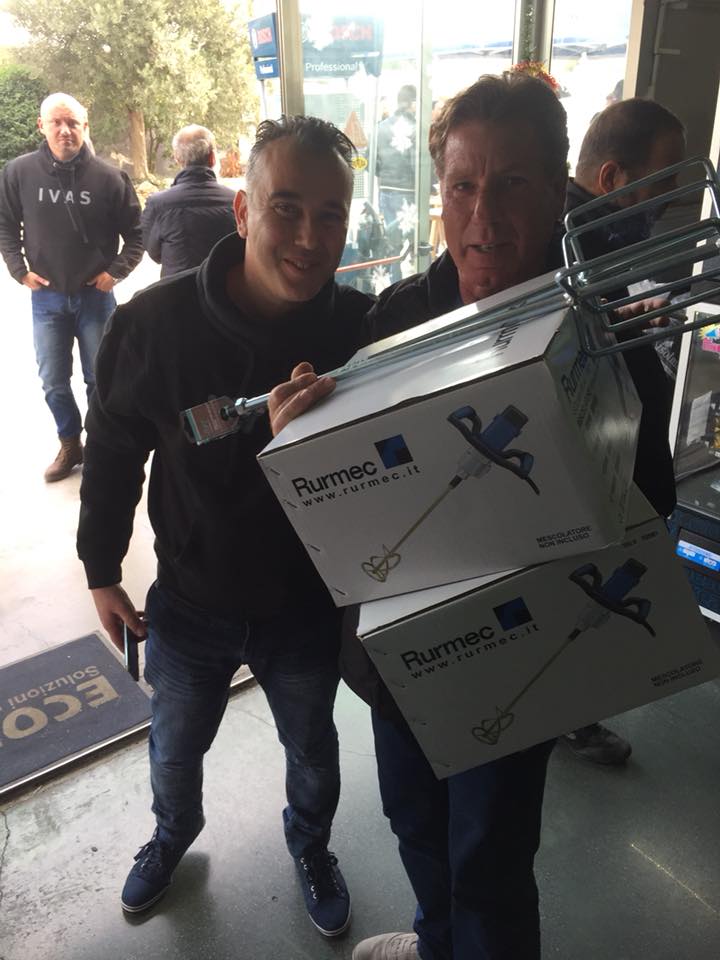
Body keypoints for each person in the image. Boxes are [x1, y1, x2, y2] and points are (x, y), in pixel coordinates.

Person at [269, 74, 677, 960]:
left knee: (489, 857)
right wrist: (301, 433)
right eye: (462, 186)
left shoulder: (599, 332)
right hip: (397, 656)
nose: (483, 216)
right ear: (441, 195)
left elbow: (653, 500)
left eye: (512, 184)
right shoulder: (392, 322)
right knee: (414, 822)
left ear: (556, 189)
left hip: (519, 649)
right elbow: (338, 485)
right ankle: (434, 943)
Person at [76, 116, 373, 932]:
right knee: (173, 750)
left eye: (331, 215)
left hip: (305, 604)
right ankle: (173, 833)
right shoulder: (152, 327)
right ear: (243, 210)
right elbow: (112, 451)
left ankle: (310, 845)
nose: (309, 238)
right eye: (287, 209)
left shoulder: (360, 331)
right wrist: (101, 568)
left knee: (313, 751)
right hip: (190, 600)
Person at [562, 97, 686, 764]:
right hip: (600, 475)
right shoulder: (569, 244)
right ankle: (567, 715)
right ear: (612, 177)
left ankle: (573, 713)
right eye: (662, 181)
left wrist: (626, 322)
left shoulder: (595, 243)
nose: (669, 201)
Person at [0, 92, 142, 482]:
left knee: (100, 379)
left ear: (85, 127)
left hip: (95, 299)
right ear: (41, 126)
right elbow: (6, 225)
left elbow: (137, 235)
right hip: (46, 300)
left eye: (73, 123)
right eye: (56, 122)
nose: (65, 130)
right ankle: (69, 442)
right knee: (53, 382)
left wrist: (115, 272)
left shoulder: (109, 178)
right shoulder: (19, 173)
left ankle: (99, 443)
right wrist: (19, 270)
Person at [141, 124, 236, 277]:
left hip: (176, 288)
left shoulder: (157, 204)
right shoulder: (235, 201)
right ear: (212, 158)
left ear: (177, 158)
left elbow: (154, 252)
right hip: (224, 287)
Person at [376, 84, 417, 280]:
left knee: (393, 244)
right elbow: (417, 162)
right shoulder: (415, 128)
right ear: (413, 103)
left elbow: (372, 162)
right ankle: (421, 282)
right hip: (408, 190)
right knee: (415, 240)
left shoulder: (381, 127)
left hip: (385, 189)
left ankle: (395, 282)